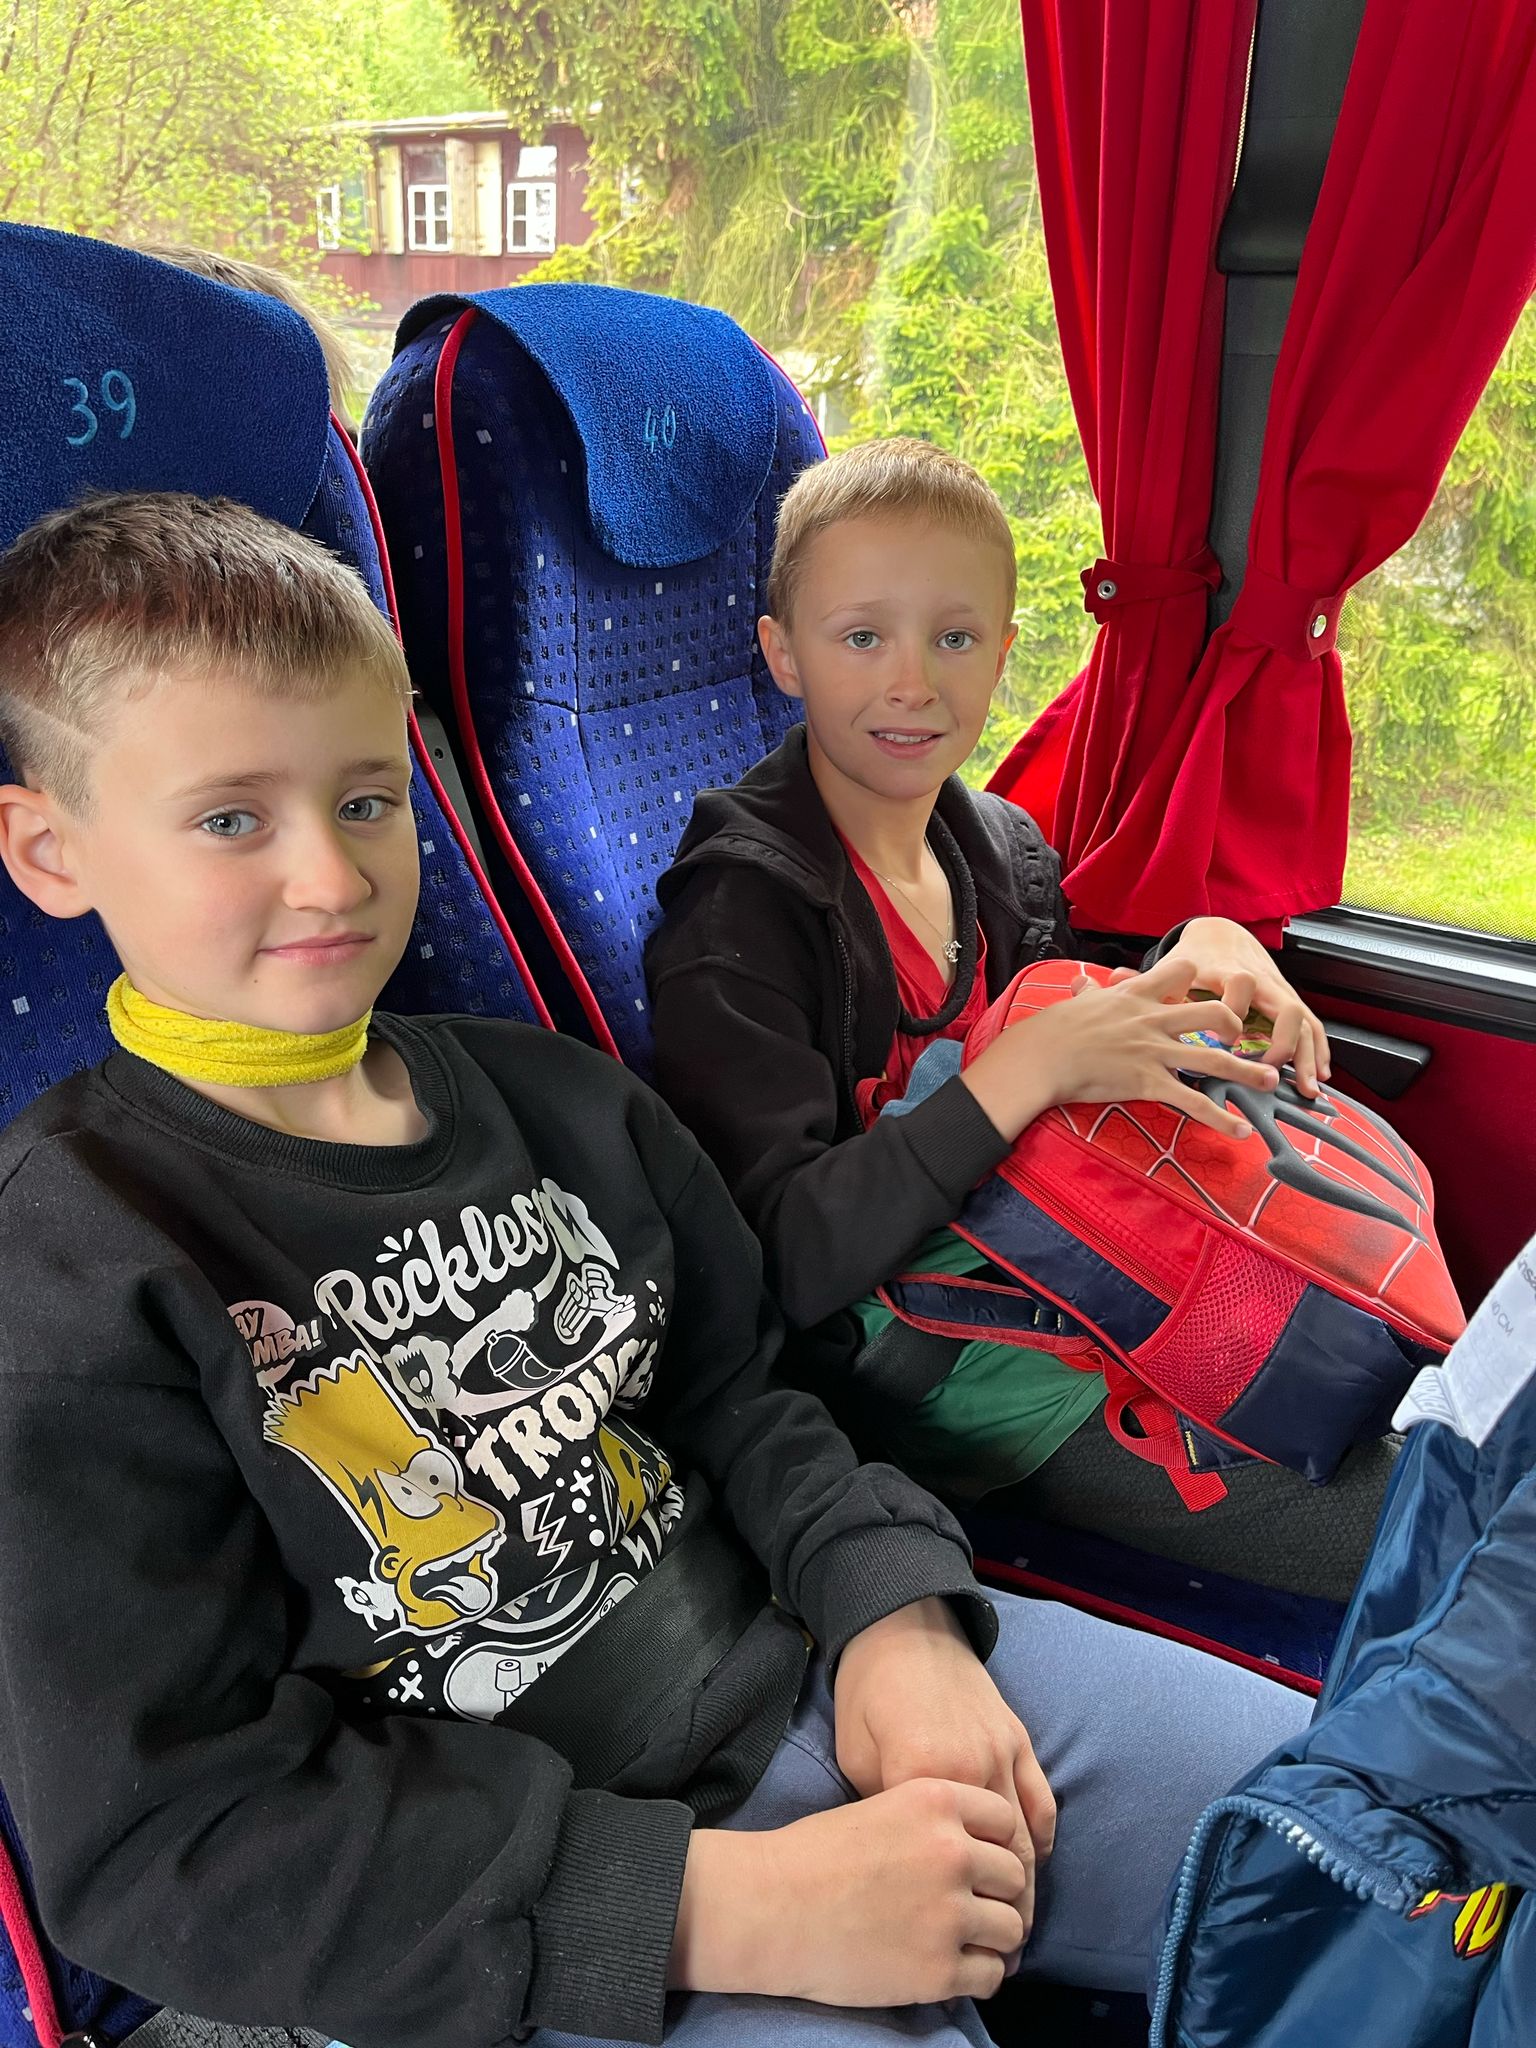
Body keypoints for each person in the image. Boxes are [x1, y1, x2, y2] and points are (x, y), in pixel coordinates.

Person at [0, 491, 1305, 2048]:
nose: (333, 880)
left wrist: (893, 1614)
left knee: (1383, 1836)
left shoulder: (558, 1101)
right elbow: (171, 1837)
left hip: (805, 1658)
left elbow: (747, 1395)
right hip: (529, 1913)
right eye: (232, 820)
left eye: (366, 800)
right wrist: (723, 1910)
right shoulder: (74, 1261)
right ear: (51, 850)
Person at [645, 438, 1395, 1602]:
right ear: (783, 653)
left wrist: (1202, 946)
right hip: (929, 1371)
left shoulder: (998, 850)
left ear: (1003, 653)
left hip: (1092, 1277)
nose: (912, 682)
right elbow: (775, 1264)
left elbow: (1072, 1029)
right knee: (1416, 1528)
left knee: (1417, 1404)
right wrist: (1015, 1077)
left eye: (954, 638)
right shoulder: (739, 919)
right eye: (861, 637)